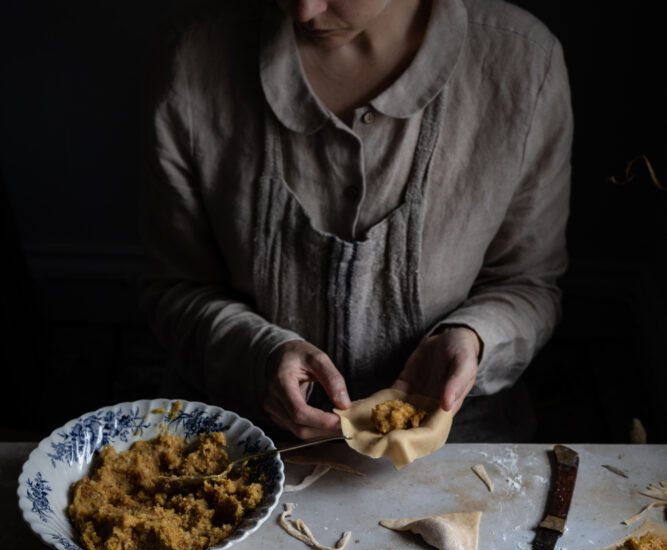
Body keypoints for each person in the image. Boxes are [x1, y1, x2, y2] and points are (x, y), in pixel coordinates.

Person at [140, 0, 572, 442]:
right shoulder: (191, 60)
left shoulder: (523, 64)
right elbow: (178, 287)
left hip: (458, 443)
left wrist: (474, 338)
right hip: (240, 435)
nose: (304, 11)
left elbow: (528, 283)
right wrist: (259, 357)